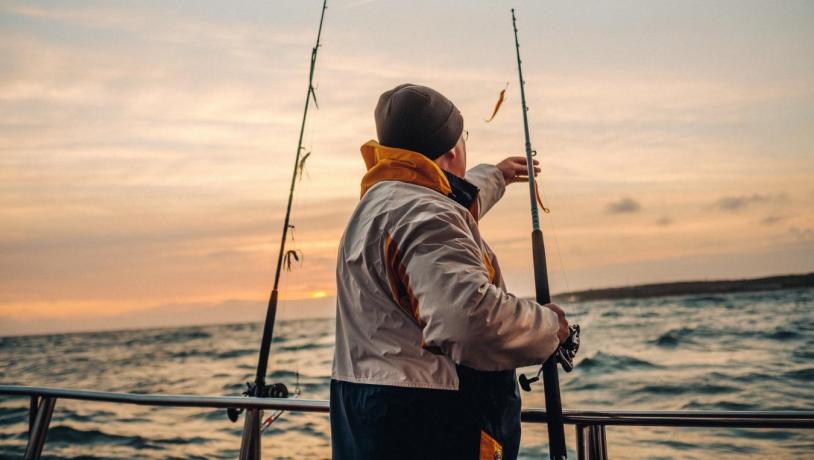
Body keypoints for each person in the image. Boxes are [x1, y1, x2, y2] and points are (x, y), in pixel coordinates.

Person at [330, 83, 570, 460]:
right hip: (433, 426)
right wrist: (548, 328)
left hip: (367, 419)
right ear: (453, 149)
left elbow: (441, 211)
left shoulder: (375, 208)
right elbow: (471, 320)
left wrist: (496, 176)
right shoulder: (428, 215)